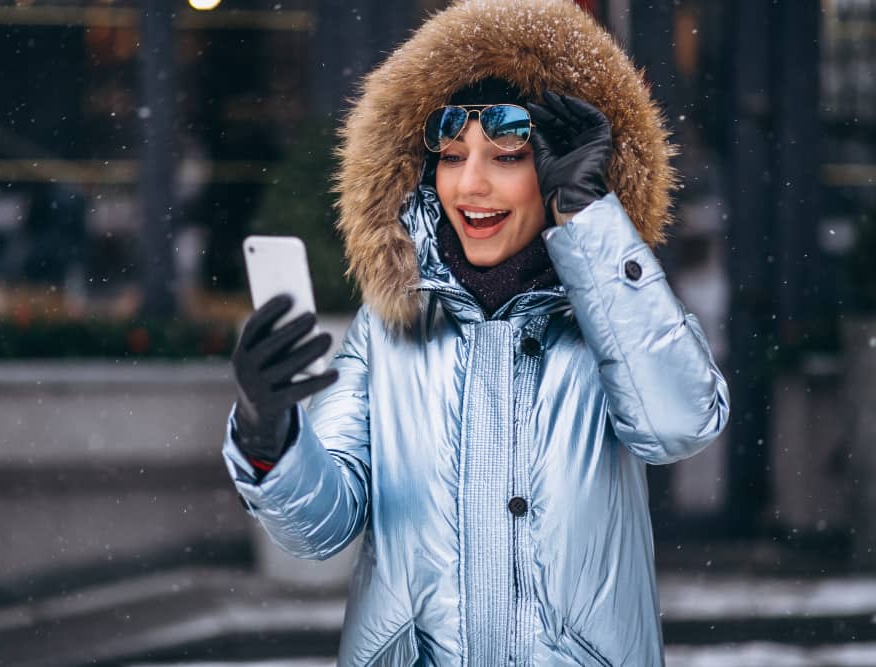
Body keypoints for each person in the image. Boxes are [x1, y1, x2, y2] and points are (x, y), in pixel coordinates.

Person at [222, 0, 730, 664]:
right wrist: (271, 436)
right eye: (452, 154)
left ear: (554, 169)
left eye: (508, 154)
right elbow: (320, 527)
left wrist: (590, 217)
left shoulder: (608, 316)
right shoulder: (390, 329)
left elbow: (681, 422)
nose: (472, 183)